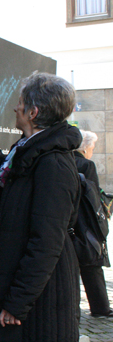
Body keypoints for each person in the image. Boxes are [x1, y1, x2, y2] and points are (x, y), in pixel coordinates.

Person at [0, 72, 81, 341]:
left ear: (33, 112)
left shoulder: (53, 165)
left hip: (40, 304)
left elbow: (46, 244)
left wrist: (17, 302)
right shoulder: (33, 151)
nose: (15, 107)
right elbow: (8, 173)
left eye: (20, 102)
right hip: (30, 294)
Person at [74, 129, 112, 317]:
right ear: (85, 147)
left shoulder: (64, 161)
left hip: (69, 222)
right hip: (86, 223)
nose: (93, 151)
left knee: (71, 269)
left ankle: (73, 311)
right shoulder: (86, 165)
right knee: (92, 266)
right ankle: (100, 308)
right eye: (93, 147)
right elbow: (93, 198)